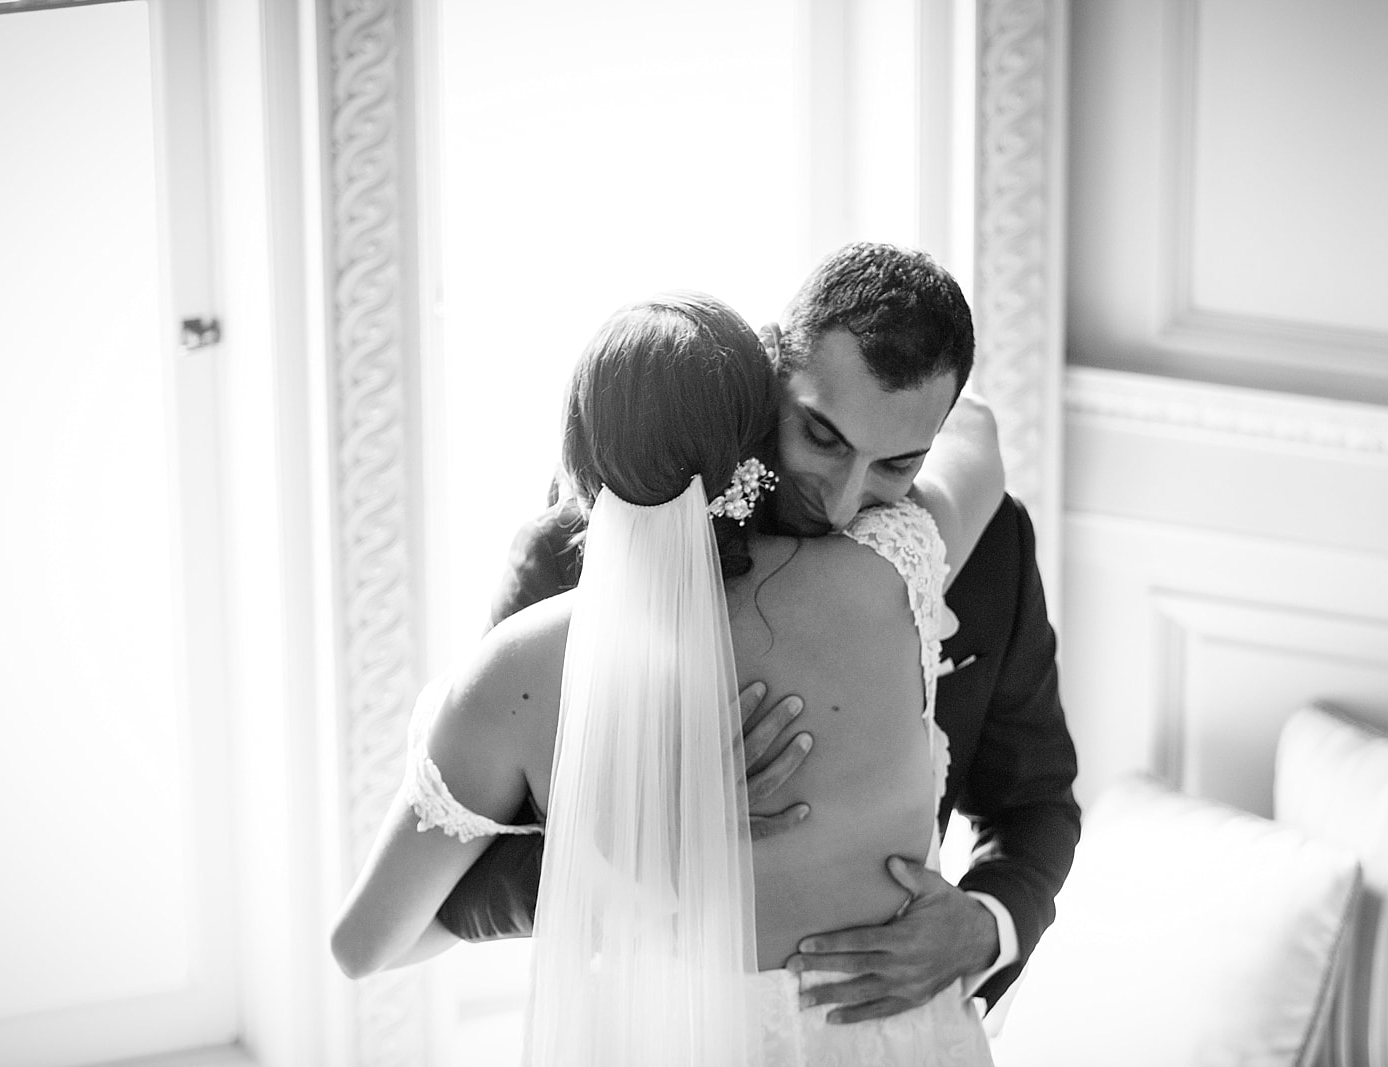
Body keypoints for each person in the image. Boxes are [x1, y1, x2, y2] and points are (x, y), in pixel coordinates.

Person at [332, 290, 1007, 1064]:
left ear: (577, 454)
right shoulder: (893, 564)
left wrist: (620, 850)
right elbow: (978, 436)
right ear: (756, 444)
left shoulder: (515, 672)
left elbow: (365, 945)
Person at [441, 243, 1081, 1022]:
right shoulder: (592, 549)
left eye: (896, 465)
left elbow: (1037, 802)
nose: (847, 502)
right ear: (774, 366)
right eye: (823, 436)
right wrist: (659, 834)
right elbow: (461, 877)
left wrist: (984, 927)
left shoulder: (983, 547)